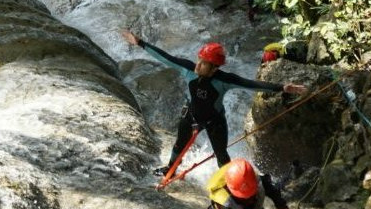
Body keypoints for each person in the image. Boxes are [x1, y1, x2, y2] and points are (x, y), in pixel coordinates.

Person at [120, 29, 307, 175]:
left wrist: (282, 87)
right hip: (191, 115)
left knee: (221, 154)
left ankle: (227, 181)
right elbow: (165, 57)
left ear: (214, 68)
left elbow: (251, 84)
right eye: (199, 60)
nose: (198, 65)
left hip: (215, 121)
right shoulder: (188, 69)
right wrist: (140, 43)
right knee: (179, 145)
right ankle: (170, 168)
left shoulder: (224, 80)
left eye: (203, 63)